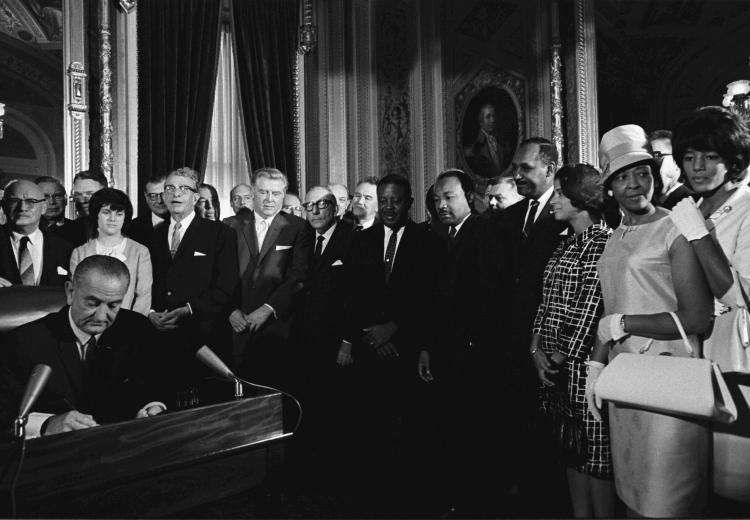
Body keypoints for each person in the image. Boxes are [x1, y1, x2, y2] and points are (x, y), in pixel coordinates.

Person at [586, 124, 713, 518]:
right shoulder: (613, 237)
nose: (636, 183)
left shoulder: (675, 228)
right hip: (627, 384)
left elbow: (697, 316)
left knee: (664, 502)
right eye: (622, 176)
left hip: (668, 384)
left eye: (643, 172)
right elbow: (610, 311)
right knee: (632, 497)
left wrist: (623, 324)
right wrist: (596, 363)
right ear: (609, 187)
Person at [339, 174, 441, 514]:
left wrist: (393, 328)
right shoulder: (360, 241)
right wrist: (369, 334)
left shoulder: (429, 241)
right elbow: (350, 297)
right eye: (383, 200)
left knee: (410, 432)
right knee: (370, 430)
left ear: (409, 202)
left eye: (396, 200)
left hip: (407, 351)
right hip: (368, 350)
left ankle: (408, 502)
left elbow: (430, 299)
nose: (389, 206)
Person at [670, 106, 750, 507]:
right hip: (691, 356)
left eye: (710, 156)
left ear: (732, 160)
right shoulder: (692, 206)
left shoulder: (748, 207)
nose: (697, 167)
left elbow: (737, 295)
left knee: (733, 484)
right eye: (689, 157)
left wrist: (698, 233)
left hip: (735, 352)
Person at [0, 255, 166, 439]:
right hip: (57, 454)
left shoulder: (138, 329)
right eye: (92, 303)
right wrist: (48, 424)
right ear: (70, 292)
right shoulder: (23, 342)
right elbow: (4, 412)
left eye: (113, 305)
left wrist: (153, 407)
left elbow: (158, 384)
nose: (101, 317)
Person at [529, 164, 614, 517]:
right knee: (571, 452)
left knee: (594, 458)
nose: (555, 200)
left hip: (582, 370)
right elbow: (545, 301)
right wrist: (535, 349)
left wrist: (559, 357)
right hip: (552, 367)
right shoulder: (565, 242)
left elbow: (590, 307)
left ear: (582, 198)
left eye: (562, 193)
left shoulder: (601, 241)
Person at [505, 136, 569, 514]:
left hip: (550, 346)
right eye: (515, 168)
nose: (517, 175)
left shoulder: (565, 216)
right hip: (514, 345)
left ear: (549, 168)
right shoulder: (514, 216)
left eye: (525, 168)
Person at [148, 167, 238, 386]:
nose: (175, 194)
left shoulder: (220, 233)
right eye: (169, 188)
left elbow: (226, 287)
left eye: (183, 189)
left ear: (195, 197)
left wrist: (189, 309)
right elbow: (148, 283)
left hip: (205, 339)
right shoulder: (154, 235)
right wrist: (151, 314)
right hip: (161, 338)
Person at [225, 167, 310, 386]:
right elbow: (221, 275)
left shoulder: (297, 227)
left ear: (284, 194)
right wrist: (231, 310)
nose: (269, 199)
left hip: (277, 329)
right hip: (236, 326)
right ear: (253, 193)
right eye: (263, 192)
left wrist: (267, 310)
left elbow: (298, 277)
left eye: (276, 193)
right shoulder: (230, 226)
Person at [70, 188, 152, 316]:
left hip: (129, 323)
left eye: (119, 214)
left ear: (125, 217)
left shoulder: (140, 252)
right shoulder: (80, 253)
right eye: (106, 212)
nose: (112, 219)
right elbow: (77, 295)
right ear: (96, 214)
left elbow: (144, 295)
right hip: (90, 322)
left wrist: (134, 323)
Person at [0, 179, 72, 287]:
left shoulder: (64, 249)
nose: (22, 208)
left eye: (31, 202)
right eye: (14, 201)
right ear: (4, 206)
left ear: (43, 208)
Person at [35, 176, 88, 247]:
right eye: (45, 197)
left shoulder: (81, 229)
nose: (52, 202)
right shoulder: (26, 230)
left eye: (57, 196)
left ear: (65, 200)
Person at [464, 103, 511, 178]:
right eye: (488, 117)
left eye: (494, 116)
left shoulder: (503, 143)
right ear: (481, 122)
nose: (492, 120)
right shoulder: (473, 147)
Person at [648, 129, 692, 209]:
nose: (650, 164)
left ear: (676, 160)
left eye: (656, 155)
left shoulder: (691, 202)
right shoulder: (648, 203)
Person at [124, 174, 169, 246]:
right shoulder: (133, 227)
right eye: (153, 196)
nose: (160, 200)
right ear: (146, 197)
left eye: (163, 194)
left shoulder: (183, 222)